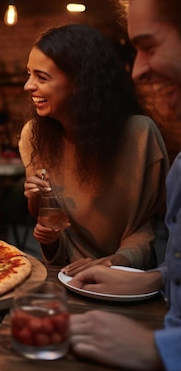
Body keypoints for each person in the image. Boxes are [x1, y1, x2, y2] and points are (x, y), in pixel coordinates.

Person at [67, 0, 181, 370]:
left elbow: (142, 230)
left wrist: (160, 350)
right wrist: (156, 277)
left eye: (148, 46)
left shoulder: (140, 134)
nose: (137, 70)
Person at [19, 23, 168, 273]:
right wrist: (40, 214)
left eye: (41, 77)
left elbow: (144, 228)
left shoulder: (140, 136)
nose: (28, 86)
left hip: (128, 279)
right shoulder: (33, 135)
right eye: (29, 74)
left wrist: (114, 264)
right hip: (67, 277)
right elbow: (49, 226)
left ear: (80, 82)